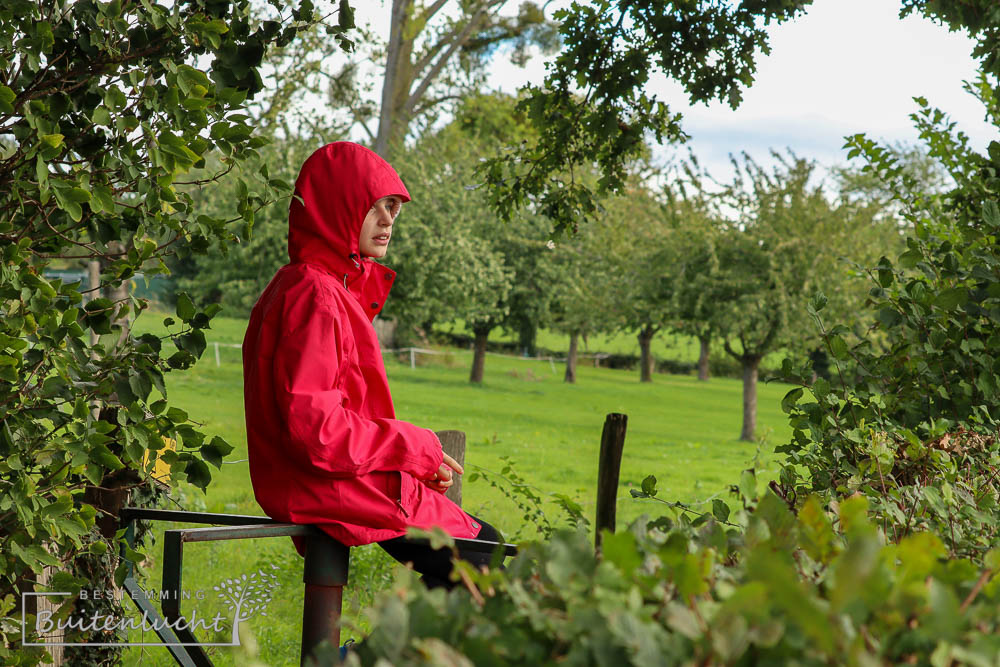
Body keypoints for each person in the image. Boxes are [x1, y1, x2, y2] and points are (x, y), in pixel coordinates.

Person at [242, 141, 501, 589]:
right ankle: (363, 661)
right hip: (323, 485)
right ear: (338, 205)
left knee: (482, 556)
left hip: (331, 478)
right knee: (480, 559)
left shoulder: (316, 287)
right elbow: (319, 433)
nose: (387, 221)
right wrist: (415, 447)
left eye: (394, 209)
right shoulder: (316, 295)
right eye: (376, 206)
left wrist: (409, 467)